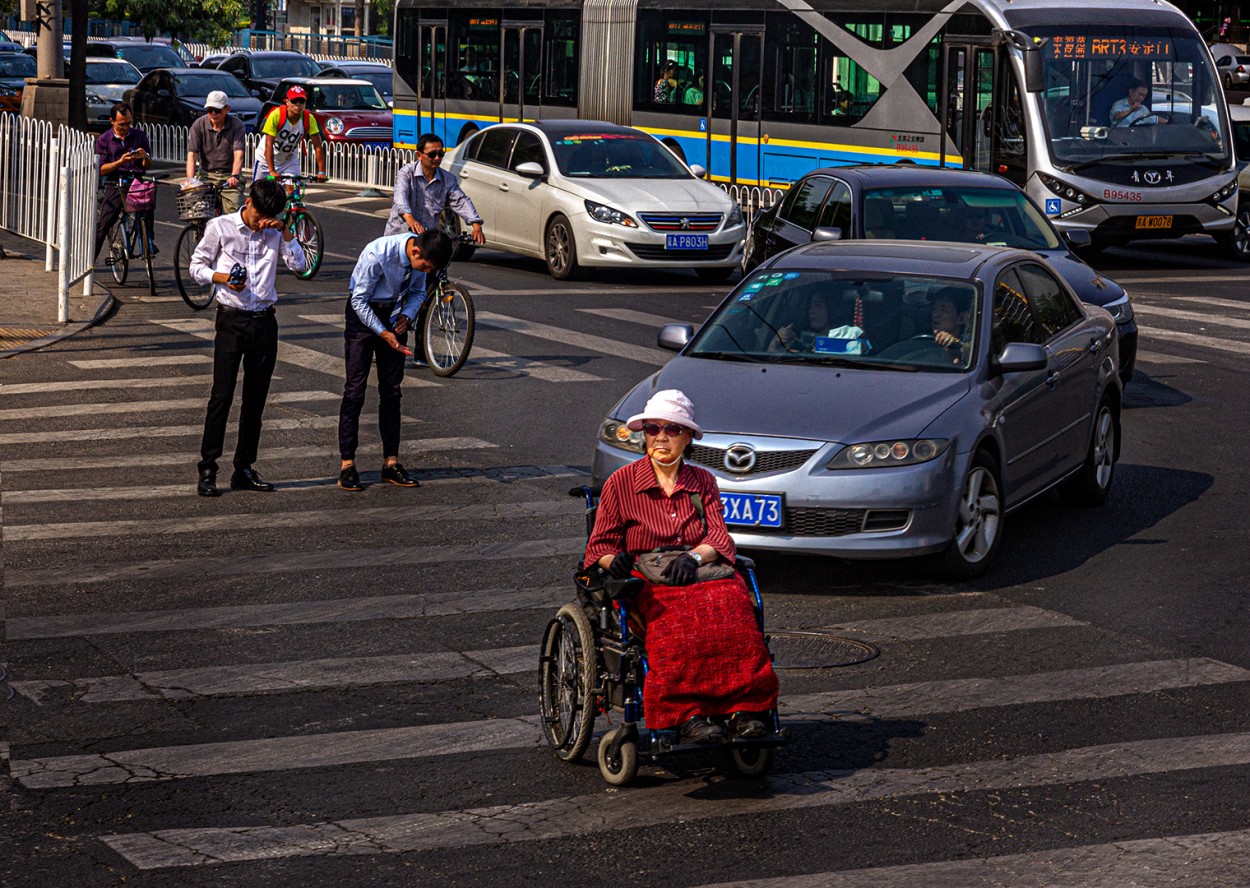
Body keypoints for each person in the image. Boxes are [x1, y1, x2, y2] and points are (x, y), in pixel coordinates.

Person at [583, 390, 780, 745]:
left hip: (698, 569)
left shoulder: (702, 481)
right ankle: (688, 714)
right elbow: (599, 548)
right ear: (644, 434)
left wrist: (694, 557)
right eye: (653, 428)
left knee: (734, 611)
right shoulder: (621, 483)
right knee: (677, 625)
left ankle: (744, 709)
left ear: (687, 437)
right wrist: (619, 560)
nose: (661, 436)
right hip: (645, 576)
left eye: (672, 429)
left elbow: (720, 537)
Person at [190, 179, 308, 497]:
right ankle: (208, 469)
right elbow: (196, 266)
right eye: (259, 216)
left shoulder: (275, 230)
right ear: (249, 203)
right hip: (231, 320)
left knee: (255, 400)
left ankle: (243, 467)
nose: (260, 224)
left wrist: (284, 231)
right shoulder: (220, 227)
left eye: (268, 218)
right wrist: (223, 278)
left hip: (265, 323)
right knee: (222, 396)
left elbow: (301, 266)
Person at [337, 229, 454, 492]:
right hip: (363, 316)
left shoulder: (422, 260)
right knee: (355, 391)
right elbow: (358, 299)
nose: (426, 270)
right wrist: (382, 333)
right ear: (415, 252)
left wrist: (408, 315)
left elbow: (417, 293)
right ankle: (347, 465)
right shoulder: (377, 254)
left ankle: (391, 463)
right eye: (424, 265)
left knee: (392, 391)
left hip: (393, 314)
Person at [383, 132, 485, 246]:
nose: (437, 158)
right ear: (419, 155)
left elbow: (461, 201)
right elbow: (400, 197)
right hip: (398, 240)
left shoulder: (448, 179)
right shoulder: (406, 174)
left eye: (440, 153)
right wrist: (410, 219)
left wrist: (476, 224)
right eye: (432, 154)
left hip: (426, 243)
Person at [94, 102, 152, 260]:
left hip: (136, 181)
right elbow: (102, 169)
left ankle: (149, 242)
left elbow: (147, 165)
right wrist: (120, 162)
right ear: (112, 121)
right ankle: (89, 261)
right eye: (121, 124)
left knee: (148, 205)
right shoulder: (105, 140)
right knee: (105, 222)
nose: (126, 127)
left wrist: (145, 157)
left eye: (129, 123)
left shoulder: (139, 135)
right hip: (116, 181)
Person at [185, 90, 247, 213]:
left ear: (227, 109)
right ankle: (199, 232)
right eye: (209, 110)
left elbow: (238, 154)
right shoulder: (199, 124)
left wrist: (234, 175)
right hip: (206, 175)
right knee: (197, 212)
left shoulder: (237, 125)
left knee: (234, 212)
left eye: (217, 110)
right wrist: (190, 180)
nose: (213, 113)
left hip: (228, 176)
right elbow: (192, 155)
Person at [254, 85, 328, 184]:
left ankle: (293, 200)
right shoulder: (276, 115)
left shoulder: (308, 118)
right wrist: (272, 171)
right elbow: (268, 145)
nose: (298, 105)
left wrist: (321, 171)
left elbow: (318, 146)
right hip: (265, 160)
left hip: (289, 160)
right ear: (287, 102)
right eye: (294, 101)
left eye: (301, 101)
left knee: (294, 191)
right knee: (257, 192)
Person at [769, 291, 838, 352]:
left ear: (831, 308)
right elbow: (769, 361)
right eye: (810, 306)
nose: (811, 311)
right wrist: (775, 343)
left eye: (818, 305)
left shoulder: (843, 339)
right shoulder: (800, 340)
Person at [930, 286, 973, 364]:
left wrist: (955, 345)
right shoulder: (923, 334)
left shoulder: (974, 339)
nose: (935, 315)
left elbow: (972, 351)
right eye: (934, 308)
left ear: (962, 318)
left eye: (943, 310)